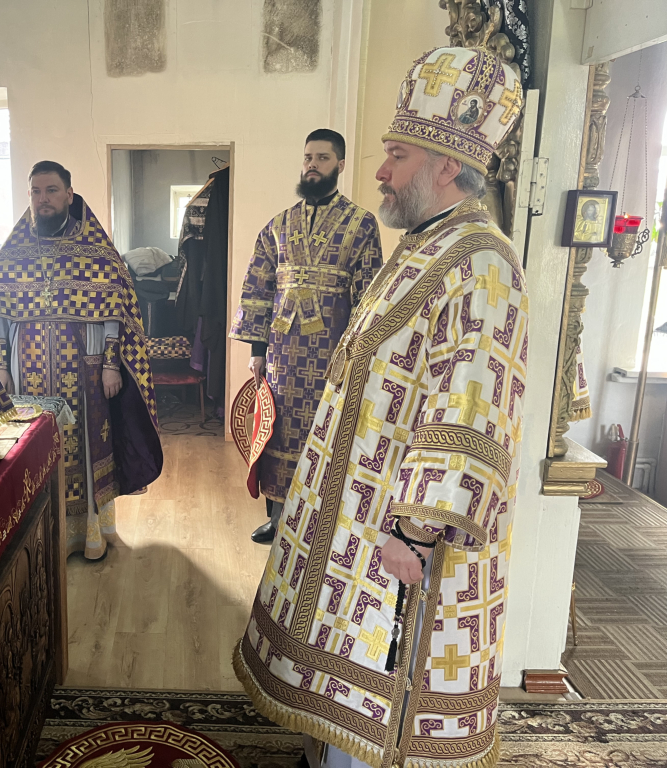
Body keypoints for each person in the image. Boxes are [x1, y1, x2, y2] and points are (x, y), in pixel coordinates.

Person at [233, 47, 527, 768]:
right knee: (343, 675)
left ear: (446, 165)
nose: (380, 172)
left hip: (400, 534)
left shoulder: (481, 262)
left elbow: (470, 408)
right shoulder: (427, 244)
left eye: (396, 156)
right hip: (359, 514)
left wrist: (416, 533)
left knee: (381, 690)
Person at [0, 161, 162, 559]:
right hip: (26, 369)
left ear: (69, 195)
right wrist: (0, 366)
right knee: (30, 450)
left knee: (84, 447)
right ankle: (39, 539)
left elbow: (114, 311)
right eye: (36, 192)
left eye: (52, 190)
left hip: (84, 367)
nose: (43, 199)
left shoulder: (95, 249)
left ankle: (89, 535)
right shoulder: (14, 252)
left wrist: (111, 364)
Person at [230, 129, 383, 544]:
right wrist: (257, 351)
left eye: (322, 158)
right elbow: (258, 289)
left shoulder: (361, 224)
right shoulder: (279, 225)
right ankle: (278, 518)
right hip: (281, 357)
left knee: (323, 436)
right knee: (275, 431)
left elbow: (368, 297)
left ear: (340, 165)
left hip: (330, 356)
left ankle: (318, 527)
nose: (312, 165)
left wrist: (358, 356)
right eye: (308, 157)